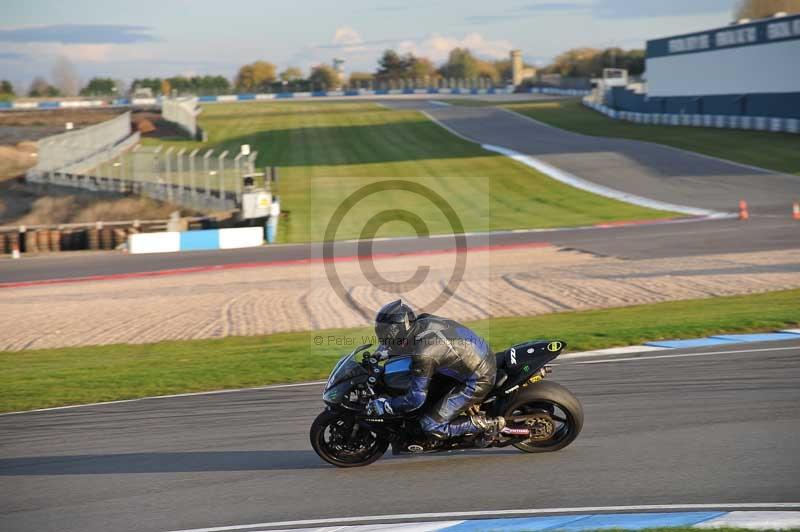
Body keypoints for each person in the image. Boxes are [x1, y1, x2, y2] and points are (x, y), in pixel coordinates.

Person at [366, 299, 505, 439]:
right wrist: (379, 354)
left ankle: (485, 424)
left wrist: (388, 405)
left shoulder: (424, 354)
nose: (383, 339)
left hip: (478, 378)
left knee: (430, 426)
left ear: (398, 330)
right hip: (475, 356)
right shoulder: (421, 321)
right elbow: (398, 344)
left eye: (385, 335)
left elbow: (416, 399)